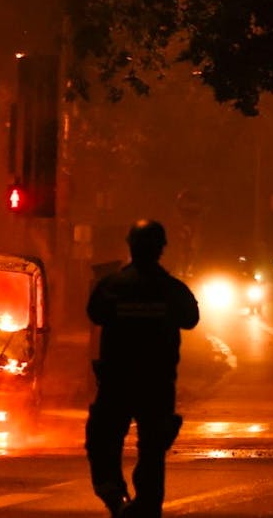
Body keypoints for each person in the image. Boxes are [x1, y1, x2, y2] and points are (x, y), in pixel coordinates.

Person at [85, 220, 199, 518]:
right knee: (152, 451)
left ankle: (115, 497)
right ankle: (146, 506)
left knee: (103, 442)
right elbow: (190, 318)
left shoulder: (112, 285)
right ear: (161, 249)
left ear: (131, 246)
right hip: (156, 384)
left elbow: (94, 313)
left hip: (117, 382)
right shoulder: (172, 289)